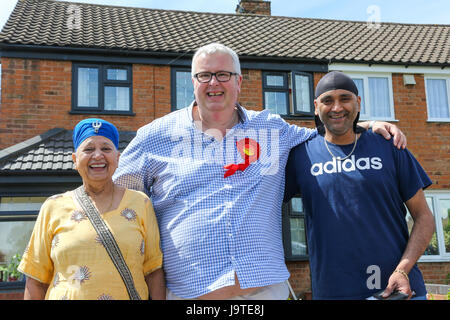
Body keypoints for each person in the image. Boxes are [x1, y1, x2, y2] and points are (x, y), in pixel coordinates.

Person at [113, 43, 406, 300]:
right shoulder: (155, 136)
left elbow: (322, 133)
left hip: (264, 293)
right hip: (190, 294)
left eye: (223, 74)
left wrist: (365, 126)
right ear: (193, 82)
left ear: (239, 82)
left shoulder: (270, 129)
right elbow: (118, 203)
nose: (214, 82)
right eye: (205, 75)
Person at [284, 71, 435, 300]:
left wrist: (402, 269)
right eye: (328, 100)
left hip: (398, 291)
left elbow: (424, 217)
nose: (336, 107)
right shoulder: (301, 155)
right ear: (316, 107)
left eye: (345, 98)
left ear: (358, 102)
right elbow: (264, 203)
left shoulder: (389, 146)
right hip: (333, 293)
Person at [18, 118, 165, 300]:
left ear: (117, 158)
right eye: (88, 149)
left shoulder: (140, 203)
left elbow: (154, 271)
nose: (97, 155)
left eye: (106, 149)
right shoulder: (53, 206)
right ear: (75, 159)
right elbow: (36, 279)